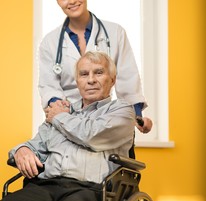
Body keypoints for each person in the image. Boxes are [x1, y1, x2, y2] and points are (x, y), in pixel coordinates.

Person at [0, 52, 136, 201]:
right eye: (84, 74)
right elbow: (36, 145)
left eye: (98, 73)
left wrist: (59, 117)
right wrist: (21, 151)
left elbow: (92, 135)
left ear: (112, 80)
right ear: (77, 82)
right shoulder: (62, 111)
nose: (90, 80)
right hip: (46, 186)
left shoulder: (122, 111)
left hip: (90, 190)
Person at [38, 0, 152, 135]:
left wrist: (137, 115)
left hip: (105, 117)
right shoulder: (50, 42)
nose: (72, 1)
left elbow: (128, 78)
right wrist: (59, 109)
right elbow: (49, 86)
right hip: (68, 117)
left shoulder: (115, 32)